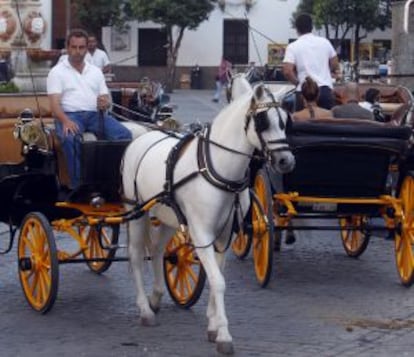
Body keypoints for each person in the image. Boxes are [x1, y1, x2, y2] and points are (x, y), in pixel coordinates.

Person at [47, 28, 131, 189]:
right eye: (74, 47)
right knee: (70, 139)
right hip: (70, 115)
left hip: (94, 115)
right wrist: (65, 121)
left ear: (86, 48)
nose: (77, 52)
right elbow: (54, 105)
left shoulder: (95, 72)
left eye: (81, 48)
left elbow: (105, 99)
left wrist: (104, 102)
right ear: (67, 47)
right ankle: (79, 186)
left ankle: (113, 181)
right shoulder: (56, 72)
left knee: (124, 135)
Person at [282, 13, 340, 111]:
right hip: (324, 90)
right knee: (327, 123)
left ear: (296, 29)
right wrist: (330, 72)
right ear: (312, 27)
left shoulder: (293, 46)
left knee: (302, 124)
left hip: (303, 93)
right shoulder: (325, 42)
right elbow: (335, 64)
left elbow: (287, 71)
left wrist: (298, 83)